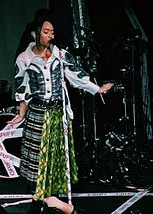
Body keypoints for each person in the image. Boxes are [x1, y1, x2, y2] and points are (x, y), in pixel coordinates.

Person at [8, 10, 114, 207]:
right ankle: (40, 196)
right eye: (46, 32)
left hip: (57, 112)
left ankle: (53, 197)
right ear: (35, 34)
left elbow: (76, 76)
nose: (51, 35)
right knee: (38, 157)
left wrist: (97, 89)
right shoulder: (24, 59)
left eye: (52, 32)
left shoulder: (60, 54)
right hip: (38, 112)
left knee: (56, 155)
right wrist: (21, 113)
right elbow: (21, 87)